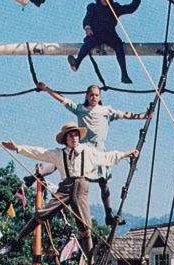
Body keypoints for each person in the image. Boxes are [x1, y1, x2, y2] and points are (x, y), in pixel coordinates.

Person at [0, 123, 140, 265]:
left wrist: (127, 154)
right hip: (65, 188)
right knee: (41, 214)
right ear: (65, 139)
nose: (74, 138)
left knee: (85, 228)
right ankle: (14, 242)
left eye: (76, 135)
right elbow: (38, 152)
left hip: (81, 186)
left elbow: (107, 156)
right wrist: (17, 148)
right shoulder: (58, 154)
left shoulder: (88, 151)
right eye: (71, 135)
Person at [35, 81, 150, 225]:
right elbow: (63, 100)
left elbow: (125, 115)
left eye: (96, 95)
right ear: (86, 96)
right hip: (83, 149)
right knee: (65, 165)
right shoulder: (80, 109)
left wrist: (143, 116)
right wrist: (46, 88)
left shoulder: (106, 111)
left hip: (99, 150)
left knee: (103, 182)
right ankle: (41, 174)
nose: (93, 97)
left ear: (100, 97)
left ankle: (108, 214)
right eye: (91, 95)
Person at [64, 0, 144, 85]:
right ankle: (76, 63)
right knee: (87, 45)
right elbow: (87, 19)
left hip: (110, 35)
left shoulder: (114, 7)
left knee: (119, 47)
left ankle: (124, 74)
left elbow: (130, 8)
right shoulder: (93, 7)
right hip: (95, 34)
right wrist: (88, 28)